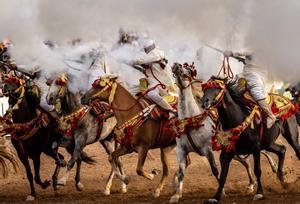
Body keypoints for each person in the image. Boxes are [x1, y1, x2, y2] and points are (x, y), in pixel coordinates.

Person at [224, 49, 276, 128]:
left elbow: (242, 52)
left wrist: (231, 53)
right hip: (247, 74)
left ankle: (270, 115)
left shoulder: (255, 48)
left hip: (255, 76)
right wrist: (245, 60)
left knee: (257, 94)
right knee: (231, 84)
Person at [131, 39, 176, 113]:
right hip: (158, 80)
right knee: (134, 90)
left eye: (145, 49)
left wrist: (129, 61)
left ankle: (169, 108)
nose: (145, 51)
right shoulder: (157, 55)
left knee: (151, 94)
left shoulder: (155, 54)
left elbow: (140, 61)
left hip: (160, 83)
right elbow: (150, 70)